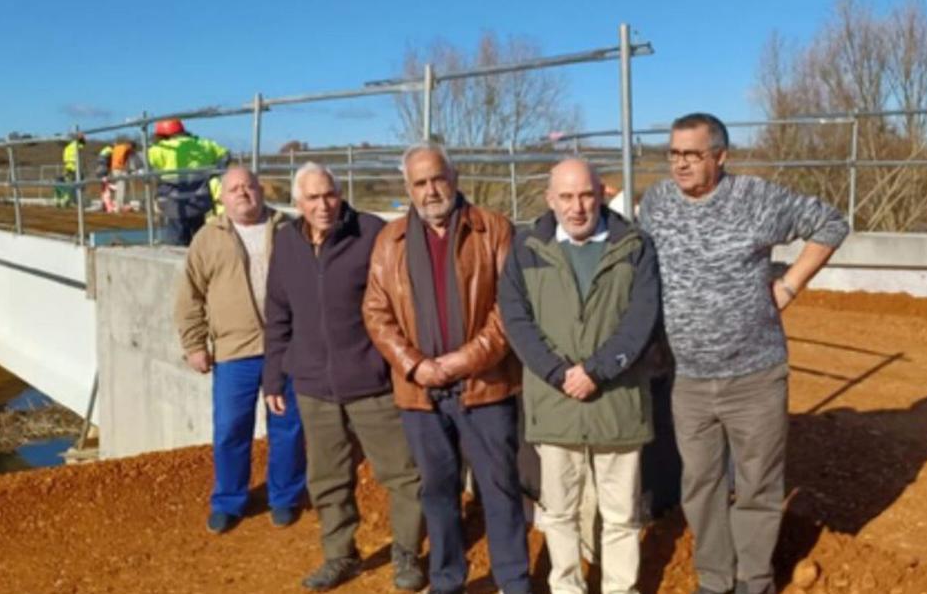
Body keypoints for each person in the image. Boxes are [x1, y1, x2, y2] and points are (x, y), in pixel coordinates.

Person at [639, 113, 849, 594]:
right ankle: (715, 581)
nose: (680, 164)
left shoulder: (756, 198)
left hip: (755, 376)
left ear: (720, 156)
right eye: (673, 153)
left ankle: (754, 582)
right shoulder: (656, 203)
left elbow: (831, 224)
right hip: (688, 379)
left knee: (757, 486)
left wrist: (791, 285)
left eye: (692, 154)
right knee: (701, 486)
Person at [363, 144, 531, 594]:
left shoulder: (493, 230)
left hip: (485, 387)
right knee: (437, 493)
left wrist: (464, 360)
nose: (431, 190)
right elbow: (376, 312)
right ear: (408, 189)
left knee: (500, 491)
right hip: (420, 393)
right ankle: (447, 580)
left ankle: (514, 581)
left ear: (454, 178)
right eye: (420, 183)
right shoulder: (389, 241)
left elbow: (509, 310)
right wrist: (414, 366)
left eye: (438, 178)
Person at [262, 162, 426, 592]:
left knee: (404, 474)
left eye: (329, 195)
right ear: (297, 203)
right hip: (313, 386)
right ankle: (340, 555)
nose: (323, 205)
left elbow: (402, 298)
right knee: (327, 477)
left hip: (371, 382)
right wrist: (273, 377)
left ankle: (406, 553)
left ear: (340, 193)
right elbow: (278, 314)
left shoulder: (371, 232)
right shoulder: (286, 243)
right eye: (313, 198)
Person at [499, 159, 660, 594]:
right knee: (559, 511)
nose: (576, 207)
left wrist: (597, 370)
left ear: (602, 193)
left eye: (585, 195)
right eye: (566, 197)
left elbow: (642, 318)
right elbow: (516, 318)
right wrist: (556, 372)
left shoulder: (635, 246)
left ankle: (619, 588)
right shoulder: (526, 248)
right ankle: (567, 586)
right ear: (550, 199)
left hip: (618, 402)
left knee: (622, 515)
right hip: (555, 403)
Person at [174, 166, 307, 535]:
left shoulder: (287, 229)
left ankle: (285, 497)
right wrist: (194, 345)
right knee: (232, 428)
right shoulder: (208, 238)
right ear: (223, 197)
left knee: (288, 426)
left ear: (261, 191)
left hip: (285, 348)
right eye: (234, 189)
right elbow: (189, 297)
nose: (243, 193)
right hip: (234, 351)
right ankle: (229, 501)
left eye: (249, 186)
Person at [148, 118, 230, 245]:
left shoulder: (160, 149)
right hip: (200, 200)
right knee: (200, 238)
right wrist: (216, 171)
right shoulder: (204, 144)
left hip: (174, 203)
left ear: (161, 135)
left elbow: (143, 164)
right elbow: (225, 155)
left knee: (176, 242)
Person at [55, 133, 86, 208]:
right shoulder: (75, 145)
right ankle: (68, 200)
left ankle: (59, 200)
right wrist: (82, 138)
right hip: (74, 168)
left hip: (67, 168)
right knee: (77, 183)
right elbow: (83, 145)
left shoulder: (66, 148)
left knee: (66, 183)